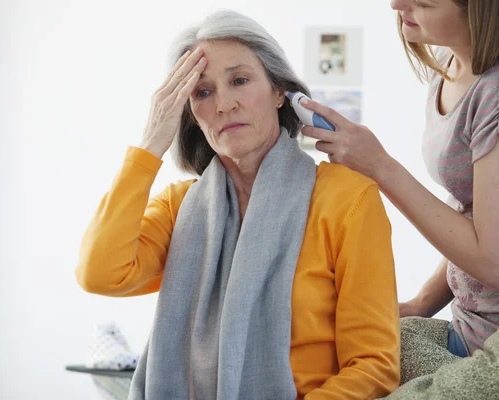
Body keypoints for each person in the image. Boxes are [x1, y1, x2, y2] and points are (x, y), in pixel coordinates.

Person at [75, 10, 400, 400]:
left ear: (280, 92)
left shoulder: (347, 199)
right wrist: (149, 146)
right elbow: (99, 273)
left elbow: (374, 366)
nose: (224, 105)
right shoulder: (179, 209)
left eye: (240, 80)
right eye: (203, 92)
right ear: (190, 113)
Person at [300, 0, 499, 383]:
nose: (396, 4)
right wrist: (420, 305)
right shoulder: (451, 63)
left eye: (423, 0)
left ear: (483, 10)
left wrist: (380, 166)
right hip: (471, 331)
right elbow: (472, 209)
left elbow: (495, 264)